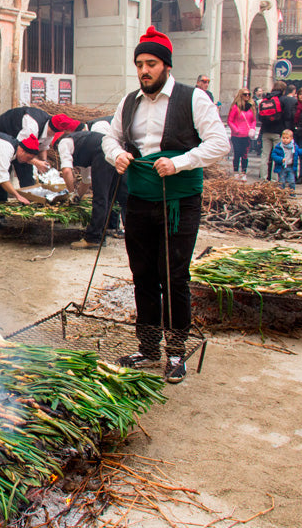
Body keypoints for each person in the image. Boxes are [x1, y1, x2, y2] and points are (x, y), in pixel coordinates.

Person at [101, 26, 228, 383]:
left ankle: (175, 352)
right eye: (140, 64)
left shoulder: (193, 99)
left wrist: (181, 162)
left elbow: (220, 142)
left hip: (179, 201)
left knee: (173, 276)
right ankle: (147, 347)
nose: (144, 71)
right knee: (142, 274)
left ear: (167, 67)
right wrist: (117, 156)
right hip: (139, 198)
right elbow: (110, 138)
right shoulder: (129, 102)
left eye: (152, 63)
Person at [54, 130, 119, 250]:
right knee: (107, 198)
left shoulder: (63, 143)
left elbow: (67, 171)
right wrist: (78, 197)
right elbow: (86, 180)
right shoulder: (84, 147)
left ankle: (93, 239)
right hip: (113, 150)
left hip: (104, 152)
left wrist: (71, 193)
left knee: (100, 199)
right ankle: (101, 235)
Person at [0, 106, 53, 186]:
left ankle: (28, 193)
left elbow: (43, 148)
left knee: (27, 175)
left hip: (19, 145)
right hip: (5, 132)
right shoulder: (31, 127)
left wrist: (44, 161)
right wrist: (36, 162)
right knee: (4, 171)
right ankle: (2, 196)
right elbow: (20, 149)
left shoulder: (49, 130)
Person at [257, 80, 296, 181]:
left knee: (265, 156)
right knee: (278, 156)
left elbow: (260, 117)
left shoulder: (266, 99)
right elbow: (288, 116)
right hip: (278, 133)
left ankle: (263, 178)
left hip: (266, 131)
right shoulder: (284, 100)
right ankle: (275, 179)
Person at [227, 88, 256, 181]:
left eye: (248, 94)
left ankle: (243, 173)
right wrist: (236, 130)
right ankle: (236, 172)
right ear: (241, 95)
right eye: (245, 94)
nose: (247, 96)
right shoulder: (236, 107)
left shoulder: (251, 107)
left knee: (245, 155)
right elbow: (230, 121)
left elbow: (253, 120)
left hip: (247, 135)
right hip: (237, 135)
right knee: (237, 154)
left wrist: (252, 129)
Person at [271, 129, 302, 195]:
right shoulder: (279, 147)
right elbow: (273, 155)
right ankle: (281, 194)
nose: (285, 140)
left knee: (292, 181)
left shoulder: (294, 146)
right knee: (282, 182)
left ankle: (292, 194)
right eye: (283, 138)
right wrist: (281, 159)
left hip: (291, 167)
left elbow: (300, 152)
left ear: (291, 138)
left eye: (287, 138)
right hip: (282, 167)